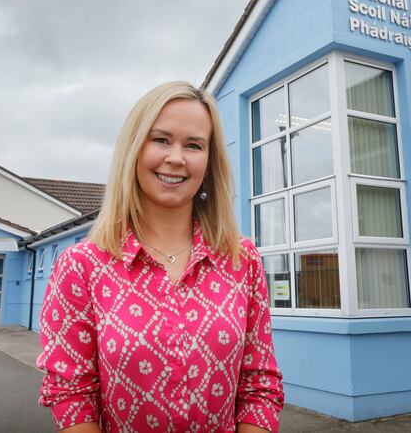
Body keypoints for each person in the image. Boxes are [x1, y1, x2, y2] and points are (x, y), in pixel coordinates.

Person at [37, 82, 284, 432]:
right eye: (161, 140)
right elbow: (72, 394)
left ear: (209, 162)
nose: (176, 158)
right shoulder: (83, 265)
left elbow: (259, 385)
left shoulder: (241, 260)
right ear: (134, 149)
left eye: (194, 145)